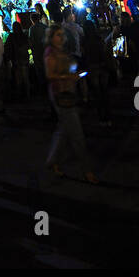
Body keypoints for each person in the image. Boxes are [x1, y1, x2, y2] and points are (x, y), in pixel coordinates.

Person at [45, 25, 98, 183]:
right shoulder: (50, 53)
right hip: (60, 94)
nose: (61, 38)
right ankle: (87, 169)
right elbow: (50, 75)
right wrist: (68, 77)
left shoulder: (63, 51)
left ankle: (53, 160)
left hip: (68, 93)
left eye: (62, 35)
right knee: (76, 134)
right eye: (58, 35)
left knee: (63, 130)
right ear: (51, 37)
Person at [5, 17, 31, 101]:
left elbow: (7, 47)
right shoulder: (24, 35)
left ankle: (20, 95)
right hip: (24, 59)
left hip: (16, 60)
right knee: (26, 78)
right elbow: (28, 45)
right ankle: (28, 94)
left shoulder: (11, 36)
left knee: (18, 78)